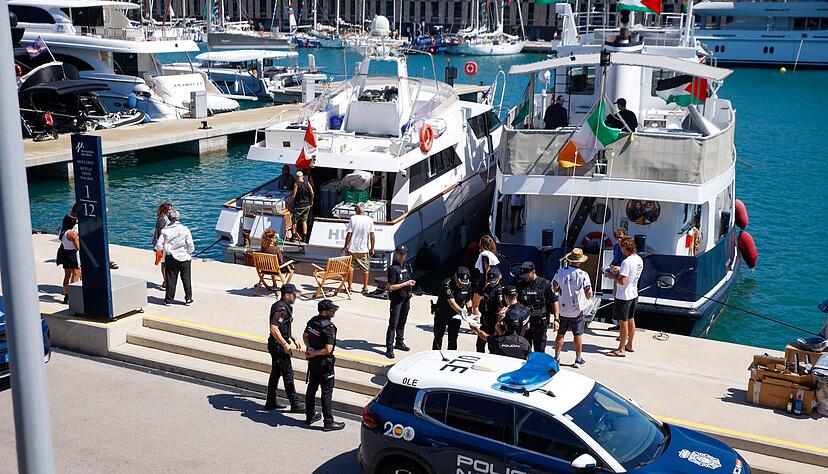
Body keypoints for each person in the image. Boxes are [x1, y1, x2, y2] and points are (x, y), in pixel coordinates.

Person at [303, 299, 345, 431]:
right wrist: (315, 352)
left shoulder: (312, 321)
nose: (334, 312)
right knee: (326, 392)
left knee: (311, 388)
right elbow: (328, 349)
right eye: (332, 310)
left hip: (313, 362)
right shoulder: (328, 327)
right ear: (325, 312)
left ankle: (309, 416)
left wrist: (309, 348)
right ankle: (328, 422)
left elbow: (305, 336)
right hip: (324, 363)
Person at [265, 284, 305, 412]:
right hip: (278, 347)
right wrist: (285, 344)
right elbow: (274, 327)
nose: (296, 297)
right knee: (288, 374)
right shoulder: (281, 308)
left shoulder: (283, 306)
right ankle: (295, 404)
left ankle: (270, 401)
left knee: (276, 373)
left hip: (276, 344)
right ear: (287, 295)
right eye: (294, 294)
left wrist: (293, 337)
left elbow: (283, 326)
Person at [552, 248, 593, 366]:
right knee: (577, 334)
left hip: (562, 309)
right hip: (576, 310)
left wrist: (561, 290)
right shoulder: (583, 274)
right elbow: (588, 292)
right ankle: (578, 359)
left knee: (560, 334)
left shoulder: (560, 271)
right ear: (580, 261)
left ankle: (557, 357)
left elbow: (554, 287)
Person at [606, 237, 644, 357]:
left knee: (623, 323)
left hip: (624, 296)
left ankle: (621, 349)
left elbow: (622, 281)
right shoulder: (639, 259)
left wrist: (612, 277)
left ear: (624, 248)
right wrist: (620, 269)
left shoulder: (626, 262)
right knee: (631, 319)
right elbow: (631, 274)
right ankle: (630, 344)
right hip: (634, 294)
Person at [516, 261, 560, 352]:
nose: (525, 278)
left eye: (527, 275)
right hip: (525, 323)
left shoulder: (545, 284)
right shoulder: (520, 285)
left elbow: (554, 301)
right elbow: (516, 302)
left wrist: (556, 319)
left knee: (539, 350)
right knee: (524, 350)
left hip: (540, 323)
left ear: (533, 272)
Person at [155, 210, 195, 306]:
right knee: (186, 278)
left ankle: (168, 299)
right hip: (184, 257)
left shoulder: (165, 230)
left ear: (169, 218)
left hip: (170, 257)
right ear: (178, 218)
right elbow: (190, 244)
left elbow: (159, 245)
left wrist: (161, 252)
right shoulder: (185, 229)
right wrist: (189, 252)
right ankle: (188, 298)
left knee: (170, 278)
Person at [432, 267, 472, 350]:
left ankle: (451, 356)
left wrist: (470, 311)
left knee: (453, 339)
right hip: (442, 313)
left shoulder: (468, 285)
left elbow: (468, 299)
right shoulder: (447, 284)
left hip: (456, 316)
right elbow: (452, 302)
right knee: (438, 337)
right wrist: (463, 312)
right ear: (455, 277)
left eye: (464, 283)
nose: (462, 285)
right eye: (460, 282)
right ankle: (435, 355)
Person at [386, 246, 415, 359]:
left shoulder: (407, 266)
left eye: (404, 254)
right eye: (400, 254)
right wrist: (405, 284)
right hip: (397, 300)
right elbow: (391, 287)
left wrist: (410, 283)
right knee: (393, 324)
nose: (402, 256)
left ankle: (399, 342)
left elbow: (407, 280)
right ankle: (389, 347)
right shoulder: (393, 269)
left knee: (402, 322)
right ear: (396, 254)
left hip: (406, 298)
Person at [341, 202, 375, 295]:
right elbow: (372, 235)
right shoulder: (369, 219)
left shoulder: (353, 218)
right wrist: (372, 248)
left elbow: (349, 234)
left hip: (352, 248)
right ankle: (365, 287)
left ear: (356, 210)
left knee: (350, 268)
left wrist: (345, 246)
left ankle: (350, 287)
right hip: (363, 249)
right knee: (365, 269)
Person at [471, 267, 505, 353]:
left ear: (499, 277)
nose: (492, 283)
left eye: (494, 281)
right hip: (485, 319)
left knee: (492, 346)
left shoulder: (499, 291)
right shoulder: (487, 287)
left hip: (494, 322)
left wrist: (497, 326)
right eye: (490, 281)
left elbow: (500, 309)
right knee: (479, 344)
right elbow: (476, 301)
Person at [56, 211, 81, 304]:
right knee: (76, 274)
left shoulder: (60, 230)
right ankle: (73, 296)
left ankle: (66, 296)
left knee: (67, 275)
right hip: (73, 255)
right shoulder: (72, 234)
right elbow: (77, 247)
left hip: (64, 253)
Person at [290, 170, 314, 242]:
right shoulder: (307, 183)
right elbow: (312, 193)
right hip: (306, 205)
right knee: (304, 221)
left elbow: (293, 195)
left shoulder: (296, 184)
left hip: (298, 206)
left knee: (294, 221)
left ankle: (293, 237)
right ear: (302, 176)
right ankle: (304, 238)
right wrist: (311, 201)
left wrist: (289, 203)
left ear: (297, 177)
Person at [153, 202, 173, 289]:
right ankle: (165, 281)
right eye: (169, 209)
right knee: (164, 263)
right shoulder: (162, 219)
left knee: (165, 262)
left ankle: (166, 280)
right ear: (165, 210)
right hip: (162, 244)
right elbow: (160, 233)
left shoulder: (165, 218)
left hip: (165, 243)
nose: (170, 210)